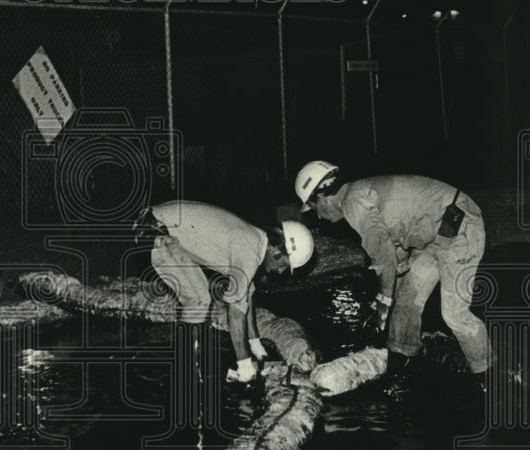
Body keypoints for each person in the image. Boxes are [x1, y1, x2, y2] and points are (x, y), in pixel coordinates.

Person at [294, 160, 490, 391]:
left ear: (321, 196)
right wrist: (394, 282)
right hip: (437, 234)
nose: (318, 216)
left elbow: (383, 255)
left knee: (454, 314)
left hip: (458, 223)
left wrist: (384, 301)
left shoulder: (353, 202)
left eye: (313, 208)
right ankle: (403, 365)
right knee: (407, 298)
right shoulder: (358, 196)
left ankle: (490, 378)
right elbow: (395, 245)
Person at [134, 200, 315, 383]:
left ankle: (193, 364)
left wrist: (255, 345)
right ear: (278, 251)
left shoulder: (257, 241)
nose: (281, 272)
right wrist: (245, 365)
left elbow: (247, 294)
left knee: (204, 296)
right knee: (198, 300)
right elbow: (235, 312)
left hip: (160, 224)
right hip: (157, 230)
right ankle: (190, 371)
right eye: (284, 266)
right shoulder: (249, 250)